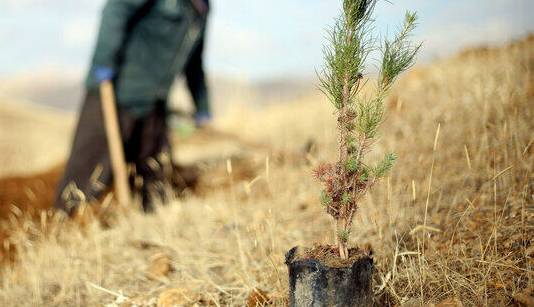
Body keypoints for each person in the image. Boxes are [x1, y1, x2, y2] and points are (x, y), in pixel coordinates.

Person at [55, 0, 210, 214]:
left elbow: (194, 63)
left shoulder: (201, 9)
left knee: (153, 179)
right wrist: (104, 61)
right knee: (88, 172)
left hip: (154, 103)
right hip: (116, 94)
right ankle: (66, 221)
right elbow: (116, 8)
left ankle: (147, 222)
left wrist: (202, 105)